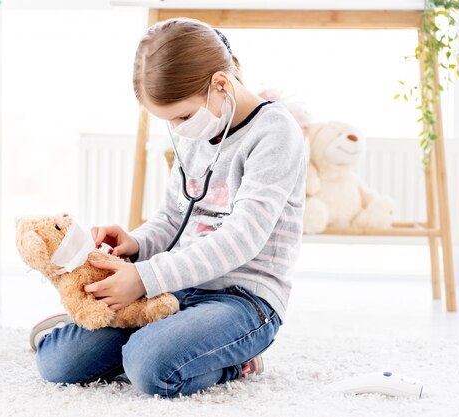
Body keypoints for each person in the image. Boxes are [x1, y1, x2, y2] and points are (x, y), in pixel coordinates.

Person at [31, 17, 307, 399]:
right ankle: (157, 335)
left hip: (243, 299)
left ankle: (236, 358)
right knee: (57, 363)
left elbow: (242, 240)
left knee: (150, 367)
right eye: (169, 121)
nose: (179, 129)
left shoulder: (275, 133)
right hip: (177, 286)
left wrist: (144, 278)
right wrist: (138, 244)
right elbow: (174, 217)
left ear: (220, 85)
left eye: (181, 116)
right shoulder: (197, 129)